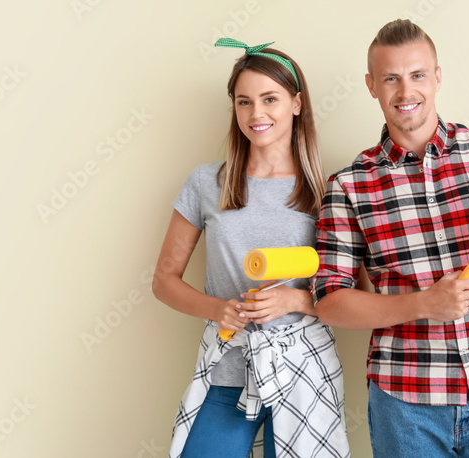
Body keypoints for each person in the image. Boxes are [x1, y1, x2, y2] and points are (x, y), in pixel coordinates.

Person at [313, 20, 469, 457]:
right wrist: (423, 304)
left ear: (437, 77)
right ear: (371, 85)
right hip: (405, 406)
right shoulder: (350, 186)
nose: (405, 91)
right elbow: (330, 301)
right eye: (390, 78)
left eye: (416, 75)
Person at [153, 38, 349, 458]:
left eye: (269, 99)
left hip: (304, 373)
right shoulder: (207, 184)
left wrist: (296, 298)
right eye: (244, 102)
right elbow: (164, 282)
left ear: (296, 104)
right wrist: (216, 309)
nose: (256, 114)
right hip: (228, 370)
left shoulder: (328, 191)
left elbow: (357, 294)